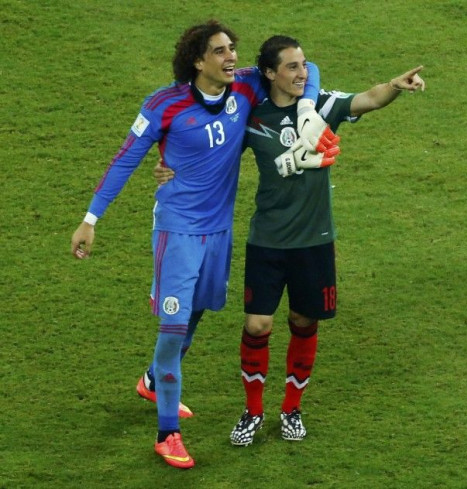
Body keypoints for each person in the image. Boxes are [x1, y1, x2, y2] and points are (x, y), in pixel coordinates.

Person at [69, 21, 334, 469]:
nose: (232, 57)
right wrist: (90, 219)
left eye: (233, 49)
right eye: (220, 51)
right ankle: (167, 432)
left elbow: (312, 68)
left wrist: (307, 108)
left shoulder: (246, 86)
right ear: (198, 60)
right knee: (172, 330)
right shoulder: (164, 105)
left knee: (195, 312)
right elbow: (125, 158)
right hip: (178, 231)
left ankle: (154, 381)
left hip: (220, 232)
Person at [158, 35, 426, 446]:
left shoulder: (321, 106)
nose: (302, 73)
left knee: (303, 321)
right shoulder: (252, 113)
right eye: (292, 67)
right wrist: (171, 168)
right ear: (270, 73)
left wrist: (394, 86)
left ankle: (291, 410)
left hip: (314, 240)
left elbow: (366, 100)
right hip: (267, 239)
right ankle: (252, 411)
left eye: (304, 66)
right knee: (257, 324)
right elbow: (211, 145)